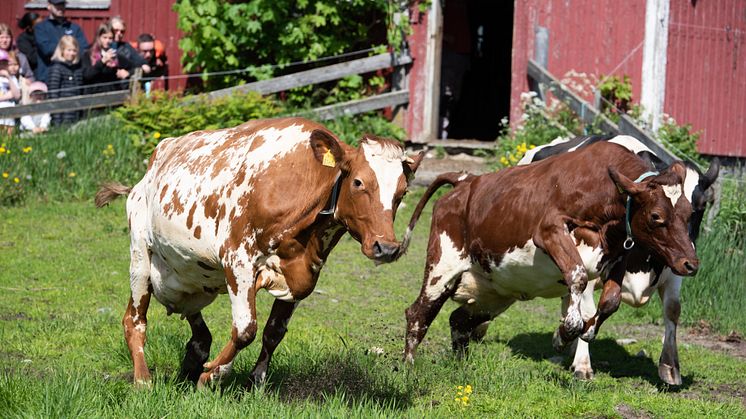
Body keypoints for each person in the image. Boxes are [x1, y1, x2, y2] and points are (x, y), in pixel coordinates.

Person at [34, 0, 89, 83]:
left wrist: (62, 50)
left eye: (62, 4)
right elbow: (47, 49)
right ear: (49, 6)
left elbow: (83, 48)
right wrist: (71, 50)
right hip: (48, 78)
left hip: (72, 78)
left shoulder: (74, 28)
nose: (60, 8)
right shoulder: (41, 28)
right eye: (57, 5)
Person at [83, 23, 133, 94]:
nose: (107, 41)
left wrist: (127, 73)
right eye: (105, 37)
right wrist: (102, 61)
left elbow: (133, 66)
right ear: (99, 37)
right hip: (93, 95)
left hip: (112, 95)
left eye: (110, 38)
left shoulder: (115, 55)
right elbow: (87, 75)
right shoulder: (88, 54)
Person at [47, 35, 83, 126]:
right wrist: (56, 119)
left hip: (76, 113)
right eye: (69, 50)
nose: (71, 53)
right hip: (62, 115)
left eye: (74, 50)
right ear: (62, 50)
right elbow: (53, 95)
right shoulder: (56, 68)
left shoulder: (78, 68)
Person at [0, 50, 21, 135]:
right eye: (0, 63)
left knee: (9, 136)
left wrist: (8, 77)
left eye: (5, 64)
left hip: (9, 112)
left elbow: (17, 95)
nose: (2, 66)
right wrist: (7, 96)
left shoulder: (12, 78)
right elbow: (10, 94)